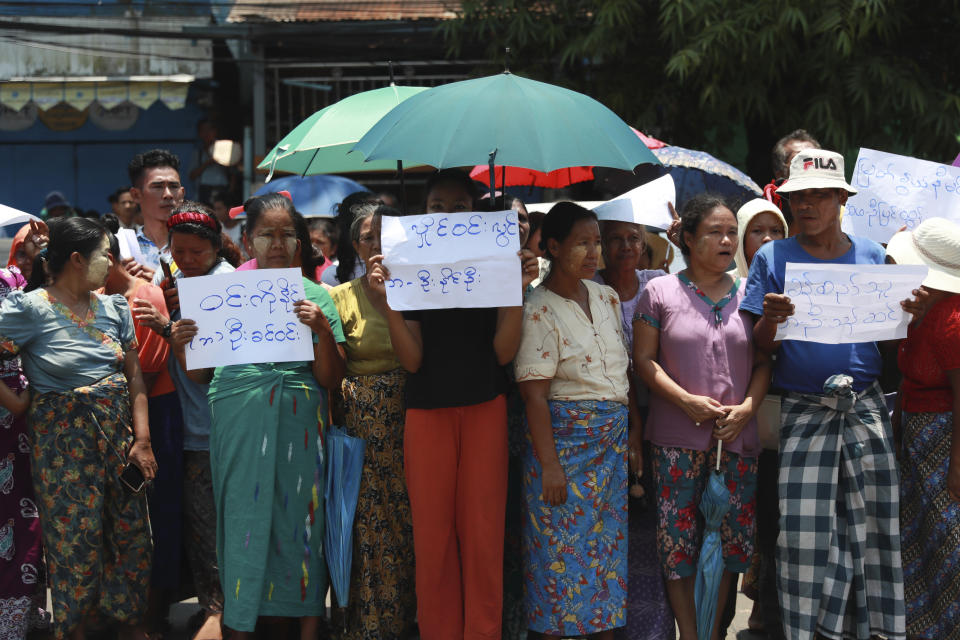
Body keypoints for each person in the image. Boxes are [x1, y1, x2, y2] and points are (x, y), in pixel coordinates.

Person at [365, 170, 539, 639]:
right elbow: (413, 360)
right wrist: (389, 305)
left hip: (486, 408)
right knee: (433, 540)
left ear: (476, 213)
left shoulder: (496, 265)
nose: (446, 216)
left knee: (484, 538)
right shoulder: (408, 269)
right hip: (427, 413)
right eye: (436, 207)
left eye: (458, 206)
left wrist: (516, 291)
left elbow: (504, 353)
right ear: (423, 214)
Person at [743, 149, 908, 640]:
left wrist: (909, 311)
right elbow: (760, 347)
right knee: (804, 540)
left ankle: (871, 630)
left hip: (865, 411)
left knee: (874, 532)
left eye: (819, 194)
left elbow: (892, 341)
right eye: (798, 196)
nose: (806, 205)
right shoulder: (772, 257)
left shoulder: (874, 256)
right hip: (803, 412)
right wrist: (772, 319)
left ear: (841, 198)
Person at [170, 193, 346, 638]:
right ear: (247, 241)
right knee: (241, 519)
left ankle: (307, 625)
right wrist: (181, 344)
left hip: (300, 428)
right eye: (267, 234)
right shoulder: (218, 295)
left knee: (303, 520)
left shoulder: (316, 297)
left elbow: (331, 378)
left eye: (288, 234)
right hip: (238, 426)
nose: (277, 243)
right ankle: (240, 623)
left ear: (301, 244)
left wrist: (322, 332)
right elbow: (201, 375)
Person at [0, 217, 157, 640]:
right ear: (75, 259)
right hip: (61, 443)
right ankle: (75, 628)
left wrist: (142, 441)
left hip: (118, 437)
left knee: (131, 534)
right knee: (75, 537)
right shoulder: (29, 308)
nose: (113, 262)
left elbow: (136, 378)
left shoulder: (115, 308)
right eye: (105, 254)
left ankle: (126, 623)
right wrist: (15, 401)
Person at [634, 194, 768, 640]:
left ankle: (712, 633)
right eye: (715, 231)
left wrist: (748, 407)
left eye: (732, 231)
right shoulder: (659, 292)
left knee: (730, 547)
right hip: (674, 442)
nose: (728, 239)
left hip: (736, 443)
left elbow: (766, 361)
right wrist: (686, 401)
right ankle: (689, 635)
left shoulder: (752, 294)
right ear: (688, 239)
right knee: (679, 547)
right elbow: (644, 363)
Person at [515, 202, 635, 638]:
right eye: (581, 242)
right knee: (557, 566)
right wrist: (549, 465)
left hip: (610, 454)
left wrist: (633, 438)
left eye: (596, 242)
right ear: (552, 246)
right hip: (564, 452)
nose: (593, 252)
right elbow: (534, 396)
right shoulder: (537, 307)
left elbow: (625, 379)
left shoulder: (606, 296)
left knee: (604, 568)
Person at [133, 203, 233, 640]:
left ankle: (220, 613)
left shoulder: (221, 285)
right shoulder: (180, 284)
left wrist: (170, 337)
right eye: (180, 251)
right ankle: (216, 609)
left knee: (212, 530)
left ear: (215, 247)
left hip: (215, 431)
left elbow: (203, 371)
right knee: (201, 529)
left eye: (197, 252)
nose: (188, 260)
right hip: (192, 429)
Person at [329, 206, 416, 640]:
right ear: (356, 247)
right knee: (368, 524)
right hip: (364, 427)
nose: (377, 245)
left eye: (387, 235)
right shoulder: (339, 296)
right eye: (368, 237)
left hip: (414, 420)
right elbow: (333, 369)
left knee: (412, 521)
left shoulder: (423, 288)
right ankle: (371, 626)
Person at [591, 219, 672, 640]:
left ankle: (650, 626)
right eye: (615, 239)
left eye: (633, 239)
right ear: (601, 245)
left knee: (652, 522)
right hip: (611, 418)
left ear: (645, 245)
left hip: (659, 411)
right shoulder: (589, 286)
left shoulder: (657, 282)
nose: (625, 246)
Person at [103, 231, 184, 636]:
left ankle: (151, 612)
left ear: (113, 258)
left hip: (152, 413)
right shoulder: (95, 298)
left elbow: (146, 371)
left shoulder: (144, 296)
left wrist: (135, 431)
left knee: (156, 516)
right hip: (117, 418)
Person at [885, 218, 960, 640]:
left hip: (945, 444)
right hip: (917, 441)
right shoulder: (923, 309)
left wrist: (957, 465)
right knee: (922, 540)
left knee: (950, 546)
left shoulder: (952, 319)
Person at [727, 198, 788, 638]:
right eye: (758, 231)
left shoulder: (804, 279)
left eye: (776, 231)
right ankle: (765, 616)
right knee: (764, 525)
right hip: (746, 425)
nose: (768, 240)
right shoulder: (724, 287)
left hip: (793, 420)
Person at [0, 253, 48, 640]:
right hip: (15, 402)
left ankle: (20, 615)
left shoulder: (13, 280)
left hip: (16, 421)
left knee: (23, 514)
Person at [128, 149, 186, 272]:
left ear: (182, 194)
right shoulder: (123, 248)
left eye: (173, 186)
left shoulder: (200, 244)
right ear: (136, 195)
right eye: (158, 187)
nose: (168, 194)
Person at [321, 192, 381, 287]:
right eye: (368, 238)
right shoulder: (332, 276)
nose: (377, 245)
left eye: (381, 234)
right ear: (355, 245)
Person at [189, 119, 231, 205]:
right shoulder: (198, 153)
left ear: (215, 131)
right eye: (203, 130)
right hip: (204, 191)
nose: (207, 133)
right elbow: (192, 175)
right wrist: (207, 163)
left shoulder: (225, 149)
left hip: (222, 190)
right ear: (199, 134)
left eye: (209, 130)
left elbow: (234, 172)